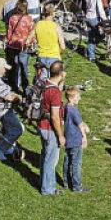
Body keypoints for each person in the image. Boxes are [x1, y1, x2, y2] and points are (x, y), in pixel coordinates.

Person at [39, 60, 66, 196]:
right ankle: (48, 188)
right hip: (50, 129)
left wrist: (61, 81)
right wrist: (60, 135)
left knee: (45, 155)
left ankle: (44, 182)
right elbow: (55, 117)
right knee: (51, 160)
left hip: (41, 125)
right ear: (61, 73)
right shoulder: (55, 93)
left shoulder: (44, 82)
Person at [62, 86, 91, 193]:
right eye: (77, 97)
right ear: (70, 98)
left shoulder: (66, 108)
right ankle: (77, 186)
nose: (79, 99)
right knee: (76, 163)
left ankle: (66, 181)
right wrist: (84, 137)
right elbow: (80, 125)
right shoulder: (74, 110)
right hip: (76, 139)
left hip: (68, 138)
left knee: (67, 161)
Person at [5, 0, 36, 94]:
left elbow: (9, 32)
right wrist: (32, 42)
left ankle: (13, 87)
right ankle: (26, 90)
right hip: (23, 46)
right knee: (24, 68)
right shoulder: (29, 19)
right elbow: (32, 34)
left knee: (13, 67)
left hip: (12, 45)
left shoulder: (12, 18)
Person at [34, 4, 65, 78]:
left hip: (41, 56)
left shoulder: (38, 24)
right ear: (53, 13)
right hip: (54, 56)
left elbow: (28, 40)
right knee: (54, 80)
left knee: (42, 79)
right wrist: (59, 52)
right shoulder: (56, 27)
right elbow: (63, 47)